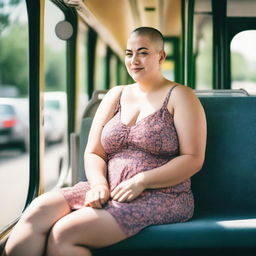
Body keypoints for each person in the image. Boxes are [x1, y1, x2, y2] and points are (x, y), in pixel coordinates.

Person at [4, 27, 207, 256]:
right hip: (106, 187)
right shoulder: (115, 95)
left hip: (162, 194)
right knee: (38, 210)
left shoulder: (181, 95)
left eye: (143, 52)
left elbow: (193, 159)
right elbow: (94, 152)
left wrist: (142, 181)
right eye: (129, 53)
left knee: (64, 233)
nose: (134, 60)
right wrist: (99, 184)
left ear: (161, 56)